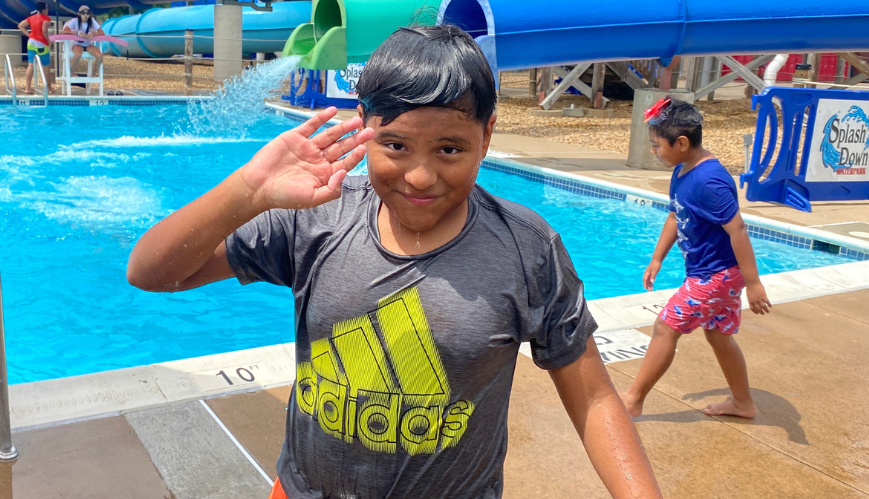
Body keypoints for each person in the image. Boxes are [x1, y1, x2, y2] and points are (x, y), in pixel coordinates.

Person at [127, 25, 662, 499]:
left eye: (450, 149)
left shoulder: (526, 248)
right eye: (396, 146)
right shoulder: (317, 220)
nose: (421, 176)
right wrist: (247, 191)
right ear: (363, 127)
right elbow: (151, 273)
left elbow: (593, 398)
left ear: (487, 135)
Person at [621, 98, 772, 419]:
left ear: (682, 142)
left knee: (665, 328)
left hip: (716, 275)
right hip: (712, 273)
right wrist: (657, 259)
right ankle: (744, 403)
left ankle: (632, 400)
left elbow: (738, 230)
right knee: (718, 336)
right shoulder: (682, 170)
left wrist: (754, 282)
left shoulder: (709, 181)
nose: (653, 151)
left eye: (656, 145)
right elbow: (676, 216)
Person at [17, 2, 56, 95]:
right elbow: (44, 30)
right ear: (45, 10)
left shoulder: (32, 17)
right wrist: (49, 41)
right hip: (41, 44)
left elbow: (20, 25)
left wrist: (29, 35)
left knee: (31, 65)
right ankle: (48, 87)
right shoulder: (46, 19)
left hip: (31, 43)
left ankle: (28, 88)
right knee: (46, 66)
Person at [61, 5, 104, 79]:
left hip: (88, 44)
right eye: (83, 13)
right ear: (79, 14)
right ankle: (71, 72)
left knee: (100, 56)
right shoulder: (74, 21)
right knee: (77, 54)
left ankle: (94, 72)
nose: (86, 15)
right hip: (77, 43)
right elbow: (65, 31)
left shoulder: (92, 21)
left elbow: (102, 33)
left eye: (87, 13)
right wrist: (77, 33)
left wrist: (93, 34)